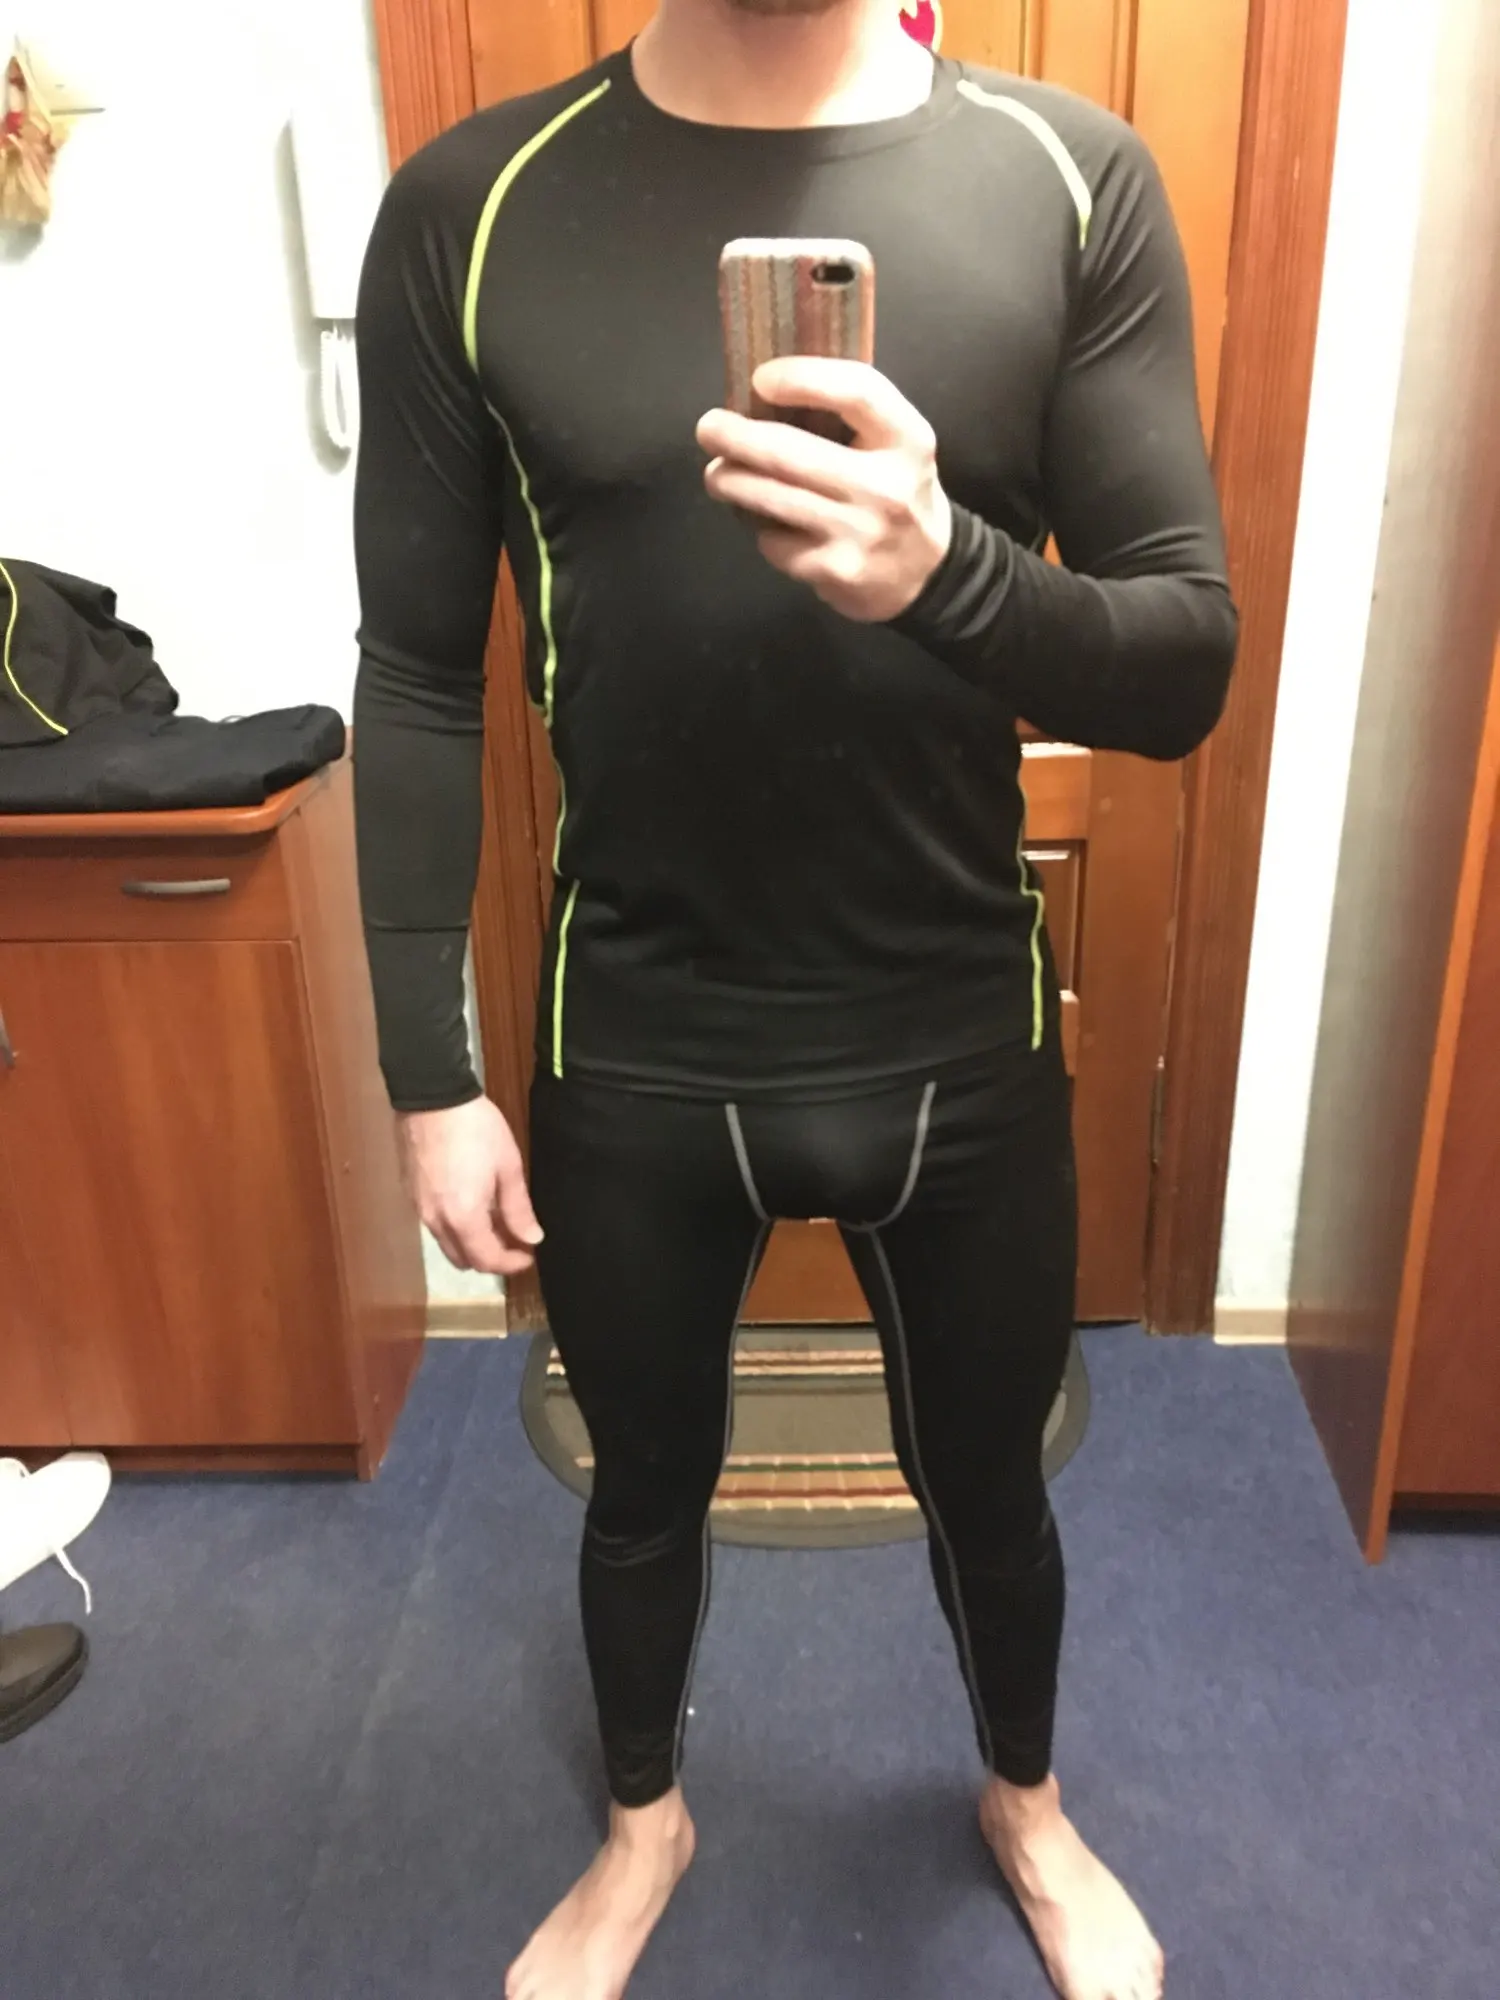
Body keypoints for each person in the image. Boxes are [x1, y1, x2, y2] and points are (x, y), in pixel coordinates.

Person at [351, 0, 1237, 1991]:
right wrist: (429, 1072)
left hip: (953, 1028)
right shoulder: (472, 208)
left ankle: (1027, 1806)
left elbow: (1181, 657)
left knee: (993, 1484)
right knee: (640, 1489)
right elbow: (410, 672)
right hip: (638, 1037)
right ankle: (641, 1829)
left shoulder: (1067, 181)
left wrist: (950, 569)